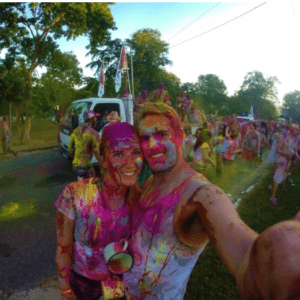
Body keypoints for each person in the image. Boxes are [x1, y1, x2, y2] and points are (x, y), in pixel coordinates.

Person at [123, 102, 300, 300]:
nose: (152, 145)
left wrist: (269, 266)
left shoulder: (201, 195)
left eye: (162, 135)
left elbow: (244, 251)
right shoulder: (153, 179)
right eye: (145, 138)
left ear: (179, 135)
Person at [55, 122, 144, 300]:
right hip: (83, 283)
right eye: (118, 154)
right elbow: (64, 247)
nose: (130, 163)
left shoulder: (141, 200)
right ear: (102, 158)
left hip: (123, 282)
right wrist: (65, 288)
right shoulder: (74, 194)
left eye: (136, 152)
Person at [68, 110, 101, 180]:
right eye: (95, 117)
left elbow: (70, 147)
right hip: (87, 167)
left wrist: (75, 157)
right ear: (91, 119)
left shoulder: (76, 130)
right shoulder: (94, 134)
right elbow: (97, 152)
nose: (96, 119)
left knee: (79, 187)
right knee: (90, 187)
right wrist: (103, 166)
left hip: (76, 166)